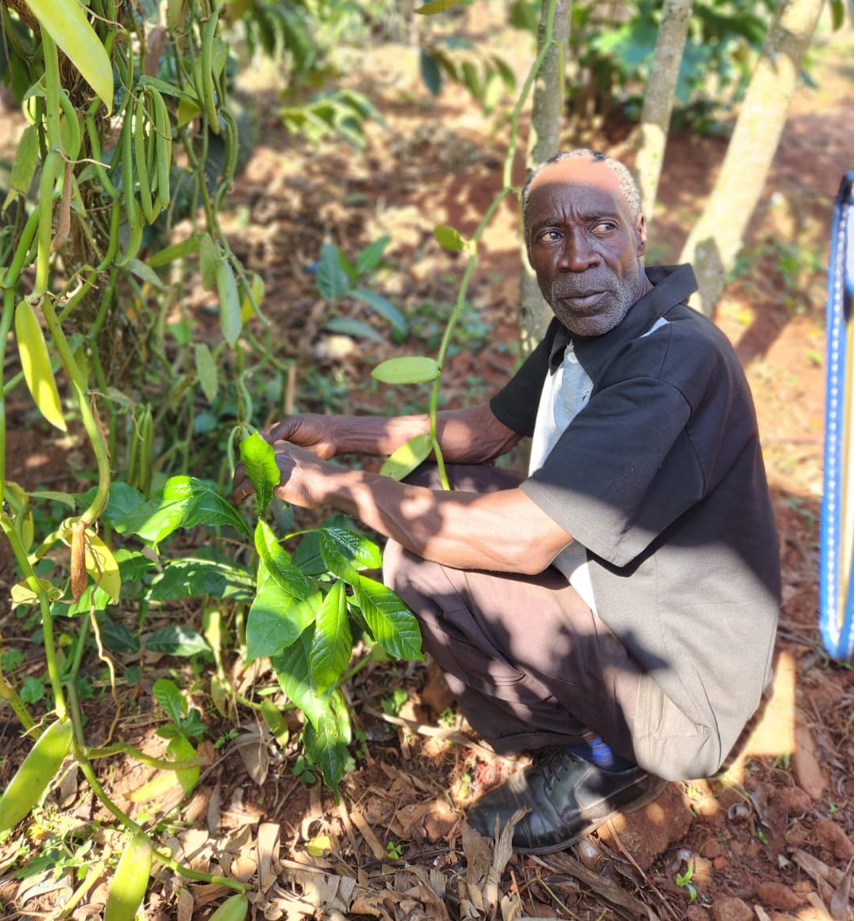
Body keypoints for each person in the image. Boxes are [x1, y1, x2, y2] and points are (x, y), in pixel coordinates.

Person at [233, 149, 781, 854]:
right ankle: (585, 725)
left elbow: (521, 540)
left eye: (600, 228)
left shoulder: (672, 363)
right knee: (431, 496)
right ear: (529, 252)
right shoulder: (595, 321)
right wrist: (345, 434)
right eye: (551, 235)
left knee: (424, 558)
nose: (577, 256)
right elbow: (487, 430)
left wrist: (333, 488)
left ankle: (604, 758)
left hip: (680, 698)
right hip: (621, 599)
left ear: (639, 233)